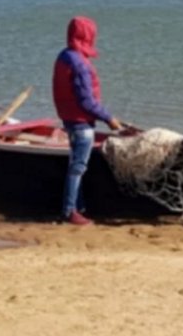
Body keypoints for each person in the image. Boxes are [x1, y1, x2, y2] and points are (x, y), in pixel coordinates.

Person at [53, 16, 122, 225]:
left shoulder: (64, 56)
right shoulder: (79, 64)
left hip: (69, 120)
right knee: (78, 168)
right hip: (81, 124)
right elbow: (86, 101)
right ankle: (69, 211)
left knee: (75, 165)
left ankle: (78, 206)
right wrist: (109, 118)